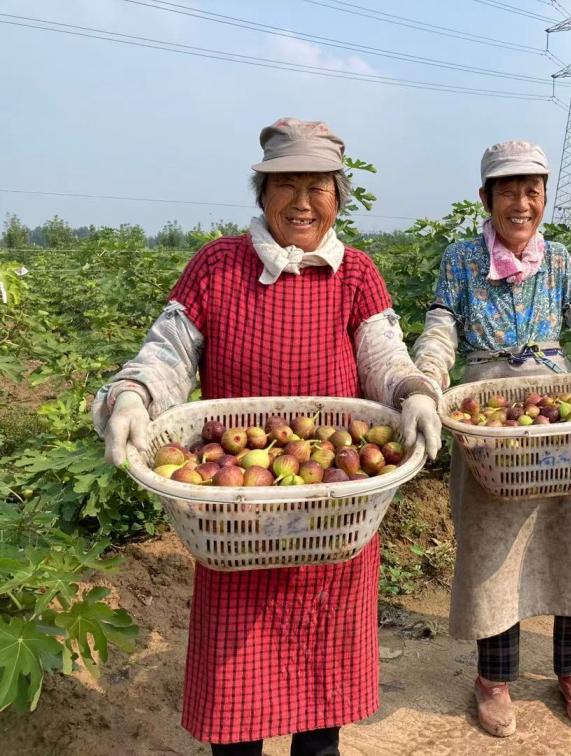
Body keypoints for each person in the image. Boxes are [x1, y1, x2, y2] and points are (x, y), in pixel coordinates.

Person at [93, 118, 442, 756]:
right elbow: (168, 354)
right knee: (237, 716)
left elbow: (384, 354)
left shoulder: (356, 275)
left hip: (330, 513)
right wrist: (133, 396)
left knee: (320, 717)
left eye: (318, 186)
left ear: (339, 195)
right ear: (261, 193)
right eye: (285, 185)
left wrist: (413, 392)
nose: (302, 202)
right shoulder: (217, 266)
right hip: (237, 524)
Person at [411, 140, 571, 737]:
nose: (521, 203)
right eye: (508, 191)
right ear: (486, 198)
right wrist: (425, 381)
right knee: (494, 550)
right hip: (488, 421)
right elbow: (441, 329)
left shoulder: (559, 261)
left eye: (532, 191)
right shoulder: (460, 260)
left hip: (561, 416)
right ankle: (494, 679)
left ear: (545, 197)